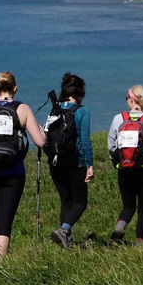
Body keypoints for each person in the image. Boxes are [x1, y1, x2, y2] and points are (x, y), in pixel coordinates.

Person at [0, 71, 46, 259]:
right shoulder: (23, 109)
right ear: (15, 88)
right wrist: (40, 131)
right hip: (12, 172)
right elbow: (40, 142)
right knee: (5, 219)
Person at [107, 84, 143, 246]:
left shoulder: (118, 119)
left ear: (133, 99)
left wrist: (117, 162)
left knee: (128, 206)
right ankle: (139, 245)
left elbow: (111, 146)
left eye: (127, 98)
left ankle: (119, 229)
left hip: (125, 170)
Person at [47, 72, 94, 248]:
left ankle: (65, 240)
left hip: (56, 162)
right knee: (80, 202)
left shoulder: (55, 108)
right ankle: (64, 230)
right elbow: (85, 140)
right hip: (76, 162)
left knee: (66, 201)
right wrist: (89, 164)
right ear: (80, 92)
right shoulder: (82, 111)